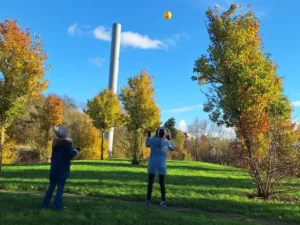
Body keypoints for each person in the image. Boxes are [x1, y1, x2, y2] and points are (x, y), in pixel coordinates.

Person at [41, 126, 79, 210]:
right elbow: (70, 155)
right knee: (60, 189)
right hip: (62, 170)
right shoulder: (67, 144)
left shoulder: (55, 143)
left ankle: (44, 205)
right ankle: (57, 207)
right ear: (64, 133)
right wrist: (76, 150)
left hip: (54, 169)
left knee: (51, 188)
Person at [144, 127, 175, 207]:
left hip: (153, 163)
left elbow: (147, 144)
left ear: (157, 133)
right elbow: (172, 148)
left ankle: (148, 201)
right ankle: (163, 201)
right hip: (162, 164)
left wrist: (149, 135)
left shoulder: (153, 140)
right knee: (162, 183)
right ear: (164, 134)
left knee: (150, 182)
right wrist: (169, 140)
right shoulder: (166, 141)